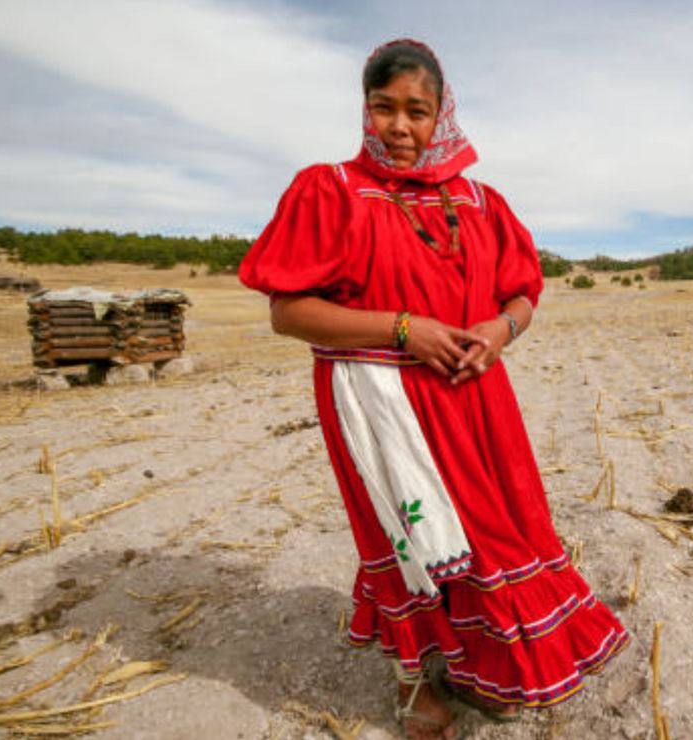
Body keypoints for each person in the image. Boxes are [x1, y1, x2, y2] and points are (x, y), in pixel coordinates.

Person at [239, 38, 628, 739]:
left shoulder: (481, 201)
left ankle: (489, 666)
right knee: (408, 539)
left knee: (495, 534)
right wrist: (402, 329)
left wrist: (500, 332)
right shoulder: (328, 189)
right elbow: (286, 313)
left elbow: (521, 297)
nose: (398, 127)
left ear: (441, 114)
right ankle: (414, 685)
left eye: (415, 111)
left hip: (476, 395)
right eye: (382, 108)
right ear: (364, 111)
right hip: (378, 400)